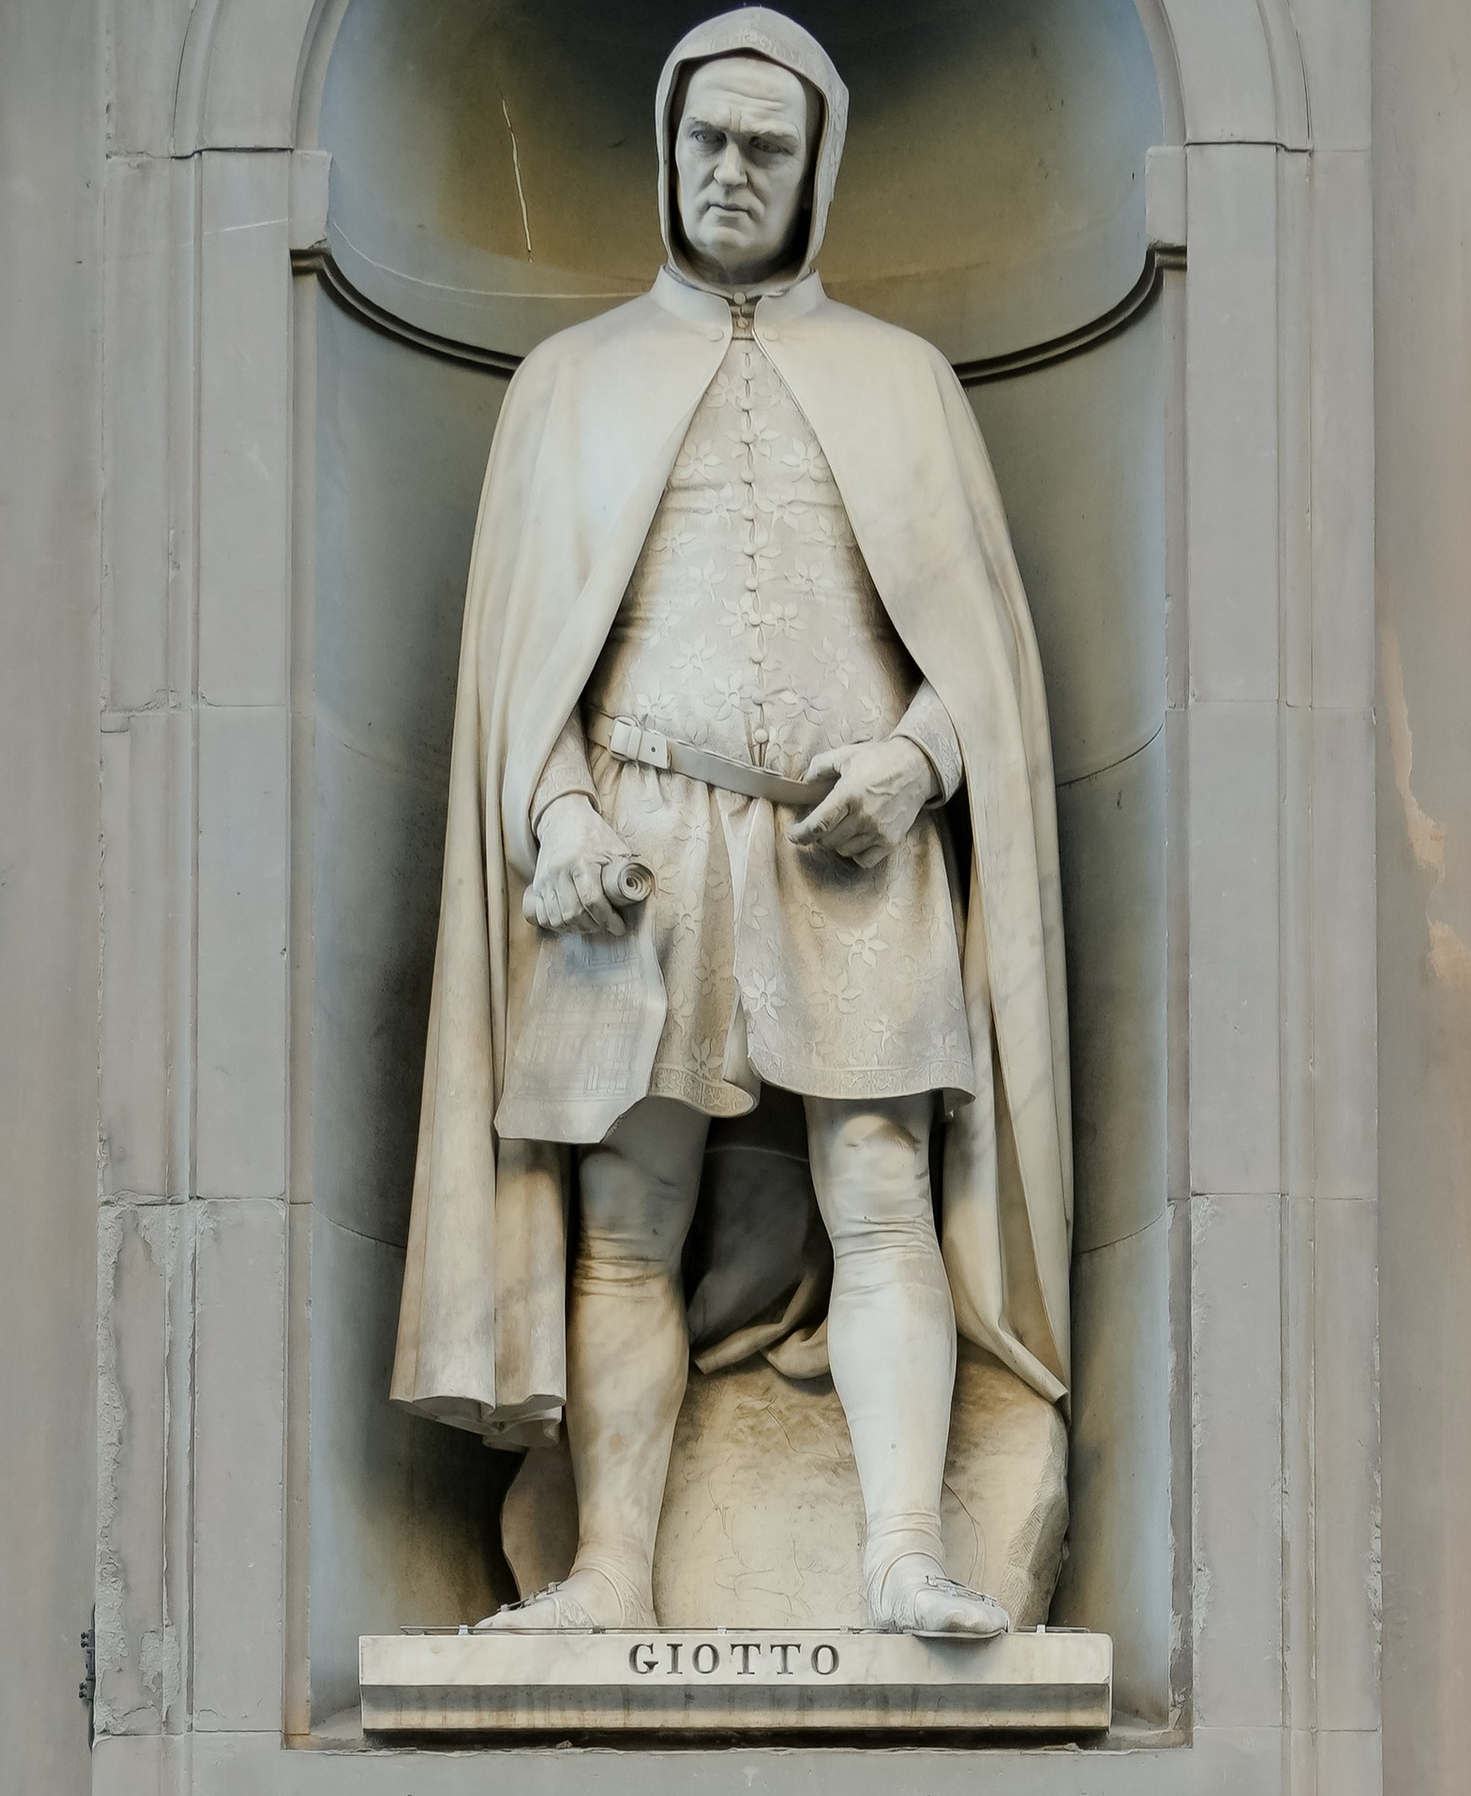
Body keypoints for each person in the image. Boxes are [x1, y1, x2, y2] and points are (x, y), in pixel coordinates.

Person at [394, 9, 1072, 1643]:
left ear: (818, 167)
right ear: (662, 145)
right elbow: (520, 660)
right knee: (626, 1219)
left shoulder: (904, 381)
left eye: (767, 146)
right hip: (635, 836)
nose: (730, 170)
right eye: (705, 138)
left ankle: (902, 1554)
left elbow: (982, 654)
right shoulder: (570, 382)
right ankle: (610, 1573)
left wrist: (917, 761)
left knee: (883, 1182)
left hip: (854, 843)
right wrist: (557, 812)